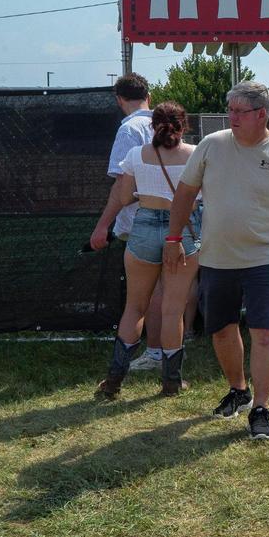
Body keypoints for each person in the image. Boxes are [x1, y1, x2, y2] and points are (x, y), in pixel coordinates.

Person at [165, 82, 269, 440]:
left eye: (239, 111)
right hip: (217, 258)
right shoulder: (211, 145)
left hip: (267, 258)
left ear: (261, 114)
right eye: (229, 110)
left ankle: (260, 408)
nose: (231, 117)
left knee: (264, 332)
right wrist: (173, 238)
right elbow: (185, 192)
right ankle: (238, 390)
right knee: (221, 330)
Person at [94, 102, 202, 398]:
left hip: (143, 227)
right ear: (184, 126)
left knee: (134, 307)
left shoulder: (136, 155)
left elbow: (125, 196)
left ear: (153, 126)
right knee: (172, 310)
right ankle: (171, 382)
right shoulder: (195, 156)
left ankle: (114, 381)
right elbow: (202, 199)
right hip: (181, 233)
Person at [90, 73, 166, 372]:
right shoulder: (164, 126)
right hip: (170, 218)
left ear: (120, 99)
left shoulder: (129, 129)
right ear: (148, 93)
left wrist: (103, 225)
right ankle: (167, 352)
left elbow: (122, 186)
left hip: (140, 221)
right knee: (165, 291)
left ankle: (148, 356)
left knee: (141, 297)